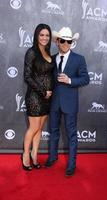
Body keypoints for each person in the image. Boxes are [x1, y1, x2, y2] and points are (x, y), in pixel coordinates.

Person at [44, 27, 90, 176]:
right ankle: (52, 157)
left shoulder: (79, 59)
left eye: (69, 41)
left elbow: (85, 79)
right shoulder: (52, 58)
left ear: (72, 43)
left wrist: (70, 80)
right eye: (62, 40)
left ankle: (71, 165)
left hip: (70, 103)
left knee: (71, 134)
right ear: (57, 41)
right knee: (53, 131)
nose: (65, 44)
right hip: (54, 102)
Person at [21, 24, 54, 171]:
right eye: (42, 35)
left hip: (48, 98)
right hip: (35, 96)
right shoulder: (31, 52)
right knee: (33, 127)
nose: (45, 38)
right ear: (36, 35)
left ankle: (35, 154)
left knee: (40, 129)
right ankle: (25, 155)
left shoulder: (48, 52)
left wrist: (49, 92)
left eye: (47, 35)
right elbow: (27, 76)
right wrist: (42, 91)